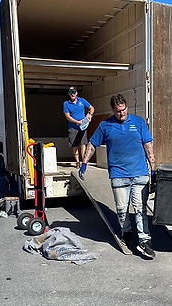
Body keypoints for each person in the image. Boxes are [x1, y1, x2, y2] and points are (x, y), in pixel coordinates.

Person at [79, 94, 157, 259]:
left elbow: (147, 144)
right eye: (118, 111)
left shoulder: (139, 122)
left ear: (126, 106)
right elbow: (93, 143)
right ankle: (126, 230)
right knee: (122, 210)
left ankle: (144, 241)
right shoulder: (105, 125)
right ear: (112, 110)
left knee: (140, 209)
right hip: (118, 174)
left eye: (124, 110)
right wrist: (84, 162)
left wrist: (153, 168)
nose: (122, 114)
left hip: (139, 173)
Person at [63, 86, 95, 168]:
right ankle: (77, 162)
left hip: (83, 127)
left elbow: (91, 108)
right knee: (75, 146)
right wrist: (78, 122)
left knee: (83, 144)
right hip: (72, 128)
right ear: (68, 94)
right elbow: (67, 116)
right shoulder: (66, 103)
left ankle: (83, 162)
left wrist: (90, 115)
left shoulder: (82, 101)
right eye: (71, 92)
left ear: (76, 93)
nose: (72, 94)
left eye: (74, 92)